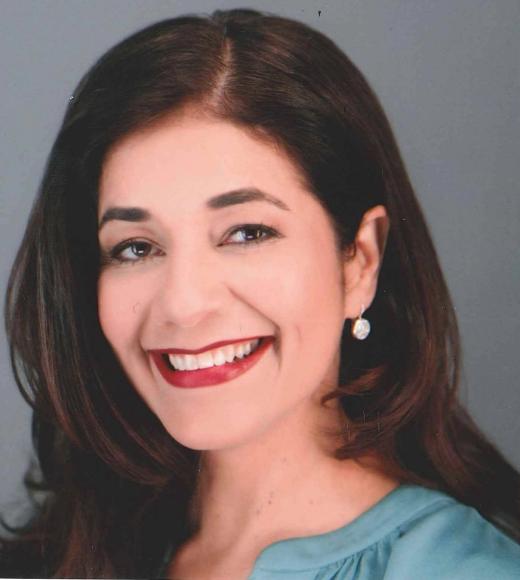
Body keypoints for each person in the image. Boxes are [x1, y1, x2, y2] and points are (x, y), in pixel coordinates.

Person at [1, 8, 519, 579]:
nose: (184, 305)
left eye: (247, 233)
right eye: (136, 248)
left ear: (360, 261)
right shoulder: (68, 550)